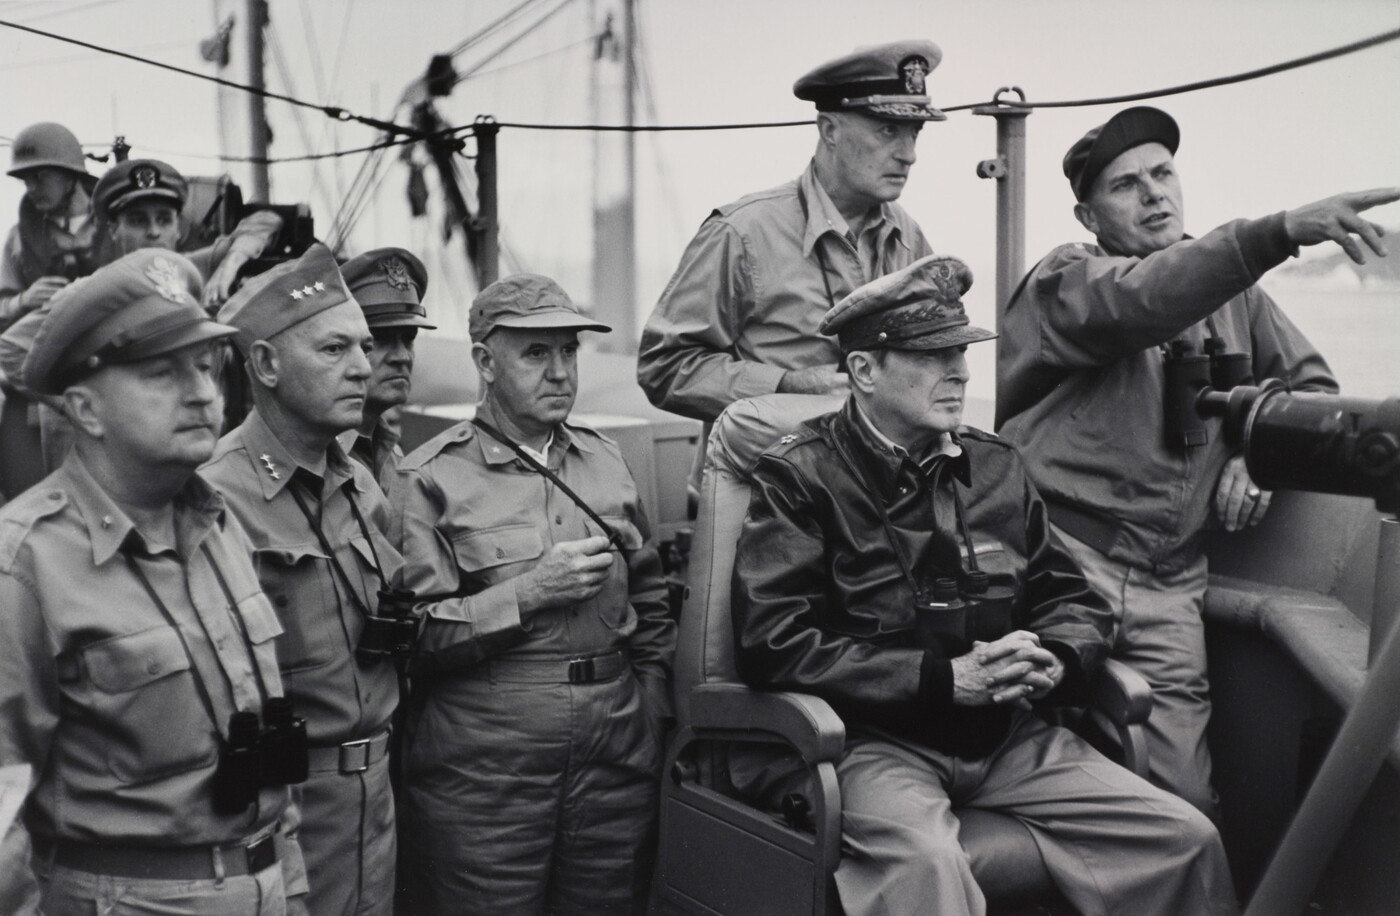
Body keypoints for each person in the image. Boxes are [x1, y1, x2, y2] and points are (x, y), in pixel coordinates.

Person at [732, 254, 1237, 916]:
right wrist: (943, 679)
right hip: (872, 743)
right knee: (930, 866)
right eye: (934, 355)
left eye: (961, 354)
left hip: (1004, 737)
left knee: (1184, 838)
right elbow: (775, 641)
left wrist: (1052, 659)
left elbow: (1074, 598)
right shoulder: (802, 476)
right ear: (863, 371)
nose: (962, 372)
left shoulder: (996, 466)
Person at [994, 105, 1400, 816]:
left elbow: (1311, 385)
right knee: (1027, 778)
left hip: (1171, 582)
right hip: (1058, 566)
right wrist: (1274, 234)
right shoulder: (1066, 279)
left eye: (1162, 173)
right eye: (1125, 185)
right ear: (1087, 217)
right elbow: (1140, 300)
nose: (1153, 192)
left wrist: (1257, 453)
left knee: (1185, 801)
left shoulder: (1235, 294)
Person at [0, 249, 306, 915]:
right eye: (162, 373)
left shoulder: (217, 524)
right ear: (85, 409)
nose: (201, 392)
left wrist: (292, 890)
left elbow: (265, 748)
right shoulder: (25, 565)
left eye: (205, 366)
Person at [395, 274, 676, 914]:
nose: (559, 373)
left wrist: (650, 704)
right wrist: (527, 592)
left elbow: (654, 600)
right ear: (484, 363)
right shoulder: (430, 479)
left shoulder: (608, 462)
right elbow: (409, 639)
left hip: (616, 756)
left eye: (569, 352)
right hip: (485, 772)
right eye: (536, 353)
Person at [636, 40, 941, 489]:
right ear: (829, 129)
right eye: (887, 131)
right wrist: (784, 383)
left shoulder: (909, 237)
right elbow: (663, 367)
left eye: (914, 133)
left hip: (879, 497)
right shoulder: (742, 231)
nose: (909, 154)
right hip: (765, 497)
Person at [201, 243, 402, 916]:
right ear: (265, 365)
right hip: (280, 806)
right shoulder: (214, 498)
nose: (364, 369)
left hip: (375, 798)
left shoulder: (357, 480)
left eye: (366, 349)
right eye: (334, 350)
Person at [335, 247, 434, 494]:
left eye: (409, 338)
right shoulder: (319, 457)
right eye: (381, 339)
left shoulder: (394, 457)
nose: (402, 356)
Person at [0, 122, 96, 331]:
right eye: (25, 181)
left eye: (40, 177)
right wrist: (23, 301)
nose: (31, 189)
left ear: (70, 174)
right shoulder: (17, 238)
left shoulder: (117, 222)